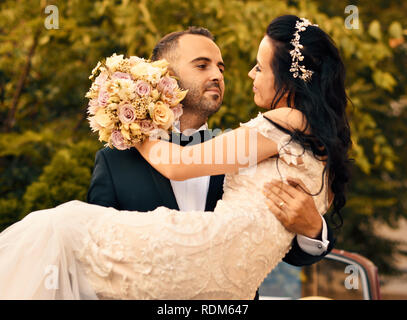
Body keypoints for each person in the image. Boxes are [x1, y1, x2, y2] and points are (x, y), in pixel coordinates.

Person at [0, 15, 350, 299]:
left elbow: (285, 249)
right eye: (202, 65)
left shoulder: (256, 142)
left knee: (56, 227)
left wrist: (312, 230)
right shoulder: (115, 161)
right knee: (56, 235)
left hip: (229, 300)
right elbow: (98, 275)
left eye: (222, 67)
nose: (220, 74)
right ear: (164, 76)